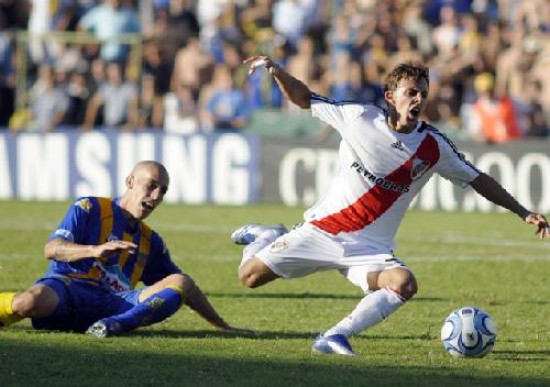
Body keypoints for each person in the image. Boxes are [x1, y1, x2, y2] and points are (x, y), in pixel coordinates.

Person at [231, 56, 550, 356]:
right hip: (323, 230)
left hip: (370, 248)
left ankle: (334, 336)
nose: (418, 99)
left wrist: (524, 212)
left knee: (403, 283)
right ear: (390, 96)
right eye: (411, 92)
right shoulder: (359, 117)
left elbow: (477, 178)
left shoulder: (433, 146)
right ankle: (264, 237)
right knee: (250, 277)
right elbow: (305, 98)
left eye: (423, 94)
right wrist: (275, 69)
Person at [0, 161, 250, 338]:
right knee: (28, 301)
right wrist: (94, 251)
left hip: (113, 304)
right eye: (151, 185)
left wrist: (222, 325)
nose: (156, 196)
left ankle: (114, 326)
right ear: (130, 181)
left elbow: (185, 289)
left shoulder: (150, 241)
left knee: (181, 281)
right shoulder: (90, 208)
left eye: (162, 191)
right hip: (68, 288)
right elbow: (52, 248)